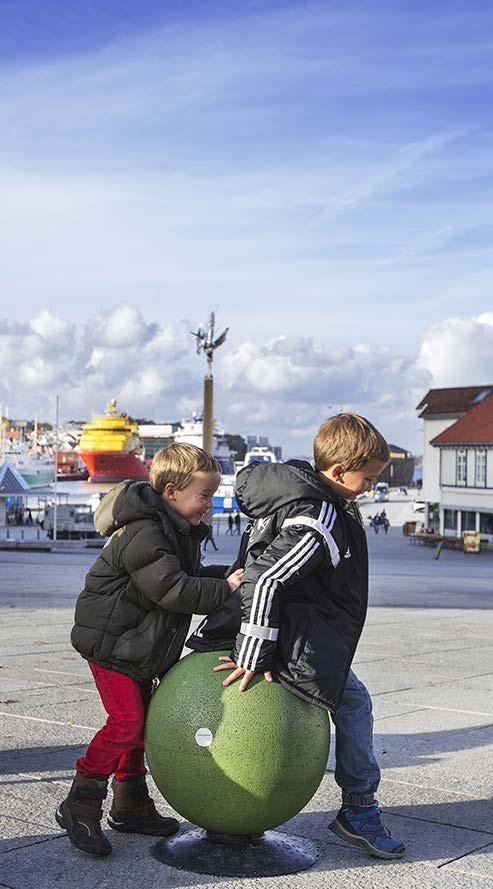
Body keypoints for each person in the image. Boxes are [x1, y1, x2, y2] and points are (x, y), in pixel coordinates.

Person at [188, 414, 405, 860]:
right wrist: (253, 653)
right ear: (340, 471)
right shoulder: (319, 512)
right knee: (355, 702)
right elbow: (265, 579)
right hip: (288, 639)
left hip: (277, 627)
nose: (371, 488)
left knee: (353, 700)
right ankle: (360, 811)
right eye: (368, 479)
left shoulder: (296, 492)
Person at [55, 444, 243, 858]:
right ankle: (81, 801)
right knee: (126, 722)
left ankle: (131, 805)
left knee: (140, 725)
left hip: (137, 645)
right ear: (172, 490)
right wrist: (224, 589)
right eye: (205, 495)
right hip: (112, 643)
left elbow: (185, 576)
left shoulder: (173, 528)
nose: (210, 505)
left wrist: (224, 575)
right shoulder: (146, 530)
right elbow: (171, 588)